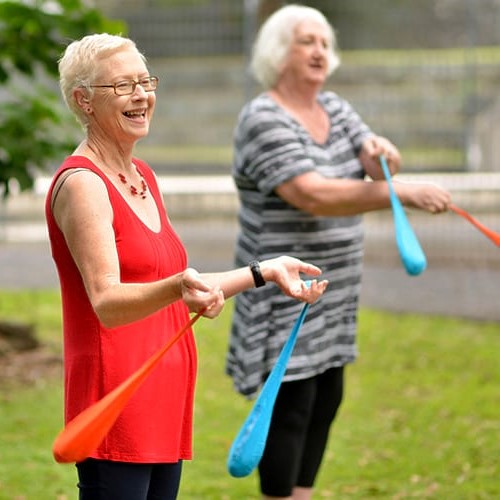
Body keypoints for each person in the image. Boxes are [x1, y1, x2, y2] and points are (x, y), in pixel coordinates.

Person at [45, 33, 328, 500]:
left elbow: (181, 283)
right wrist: (179, 286)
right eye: (122, 86)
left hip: (163, 397)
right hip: (115, 402)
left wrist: (265, 270)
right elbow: (108, 303)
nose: (141, 95)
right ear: (84, 101)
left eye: (145, 81)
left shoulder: (142, 176)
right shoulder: (83, 185)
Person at [226, 5, 452, 500]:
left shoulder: (336, 107)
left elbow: (371, 165)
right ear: (278, 51)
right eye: (307, 40)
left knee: (327, 395)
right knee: (292, 405)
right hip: (285, 290)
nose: (319, 51)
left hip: (336, 289)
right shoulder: (263, 116)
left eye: (324, 42)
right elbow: (311, 193)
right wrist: (402, 192)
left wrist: (382, 160)